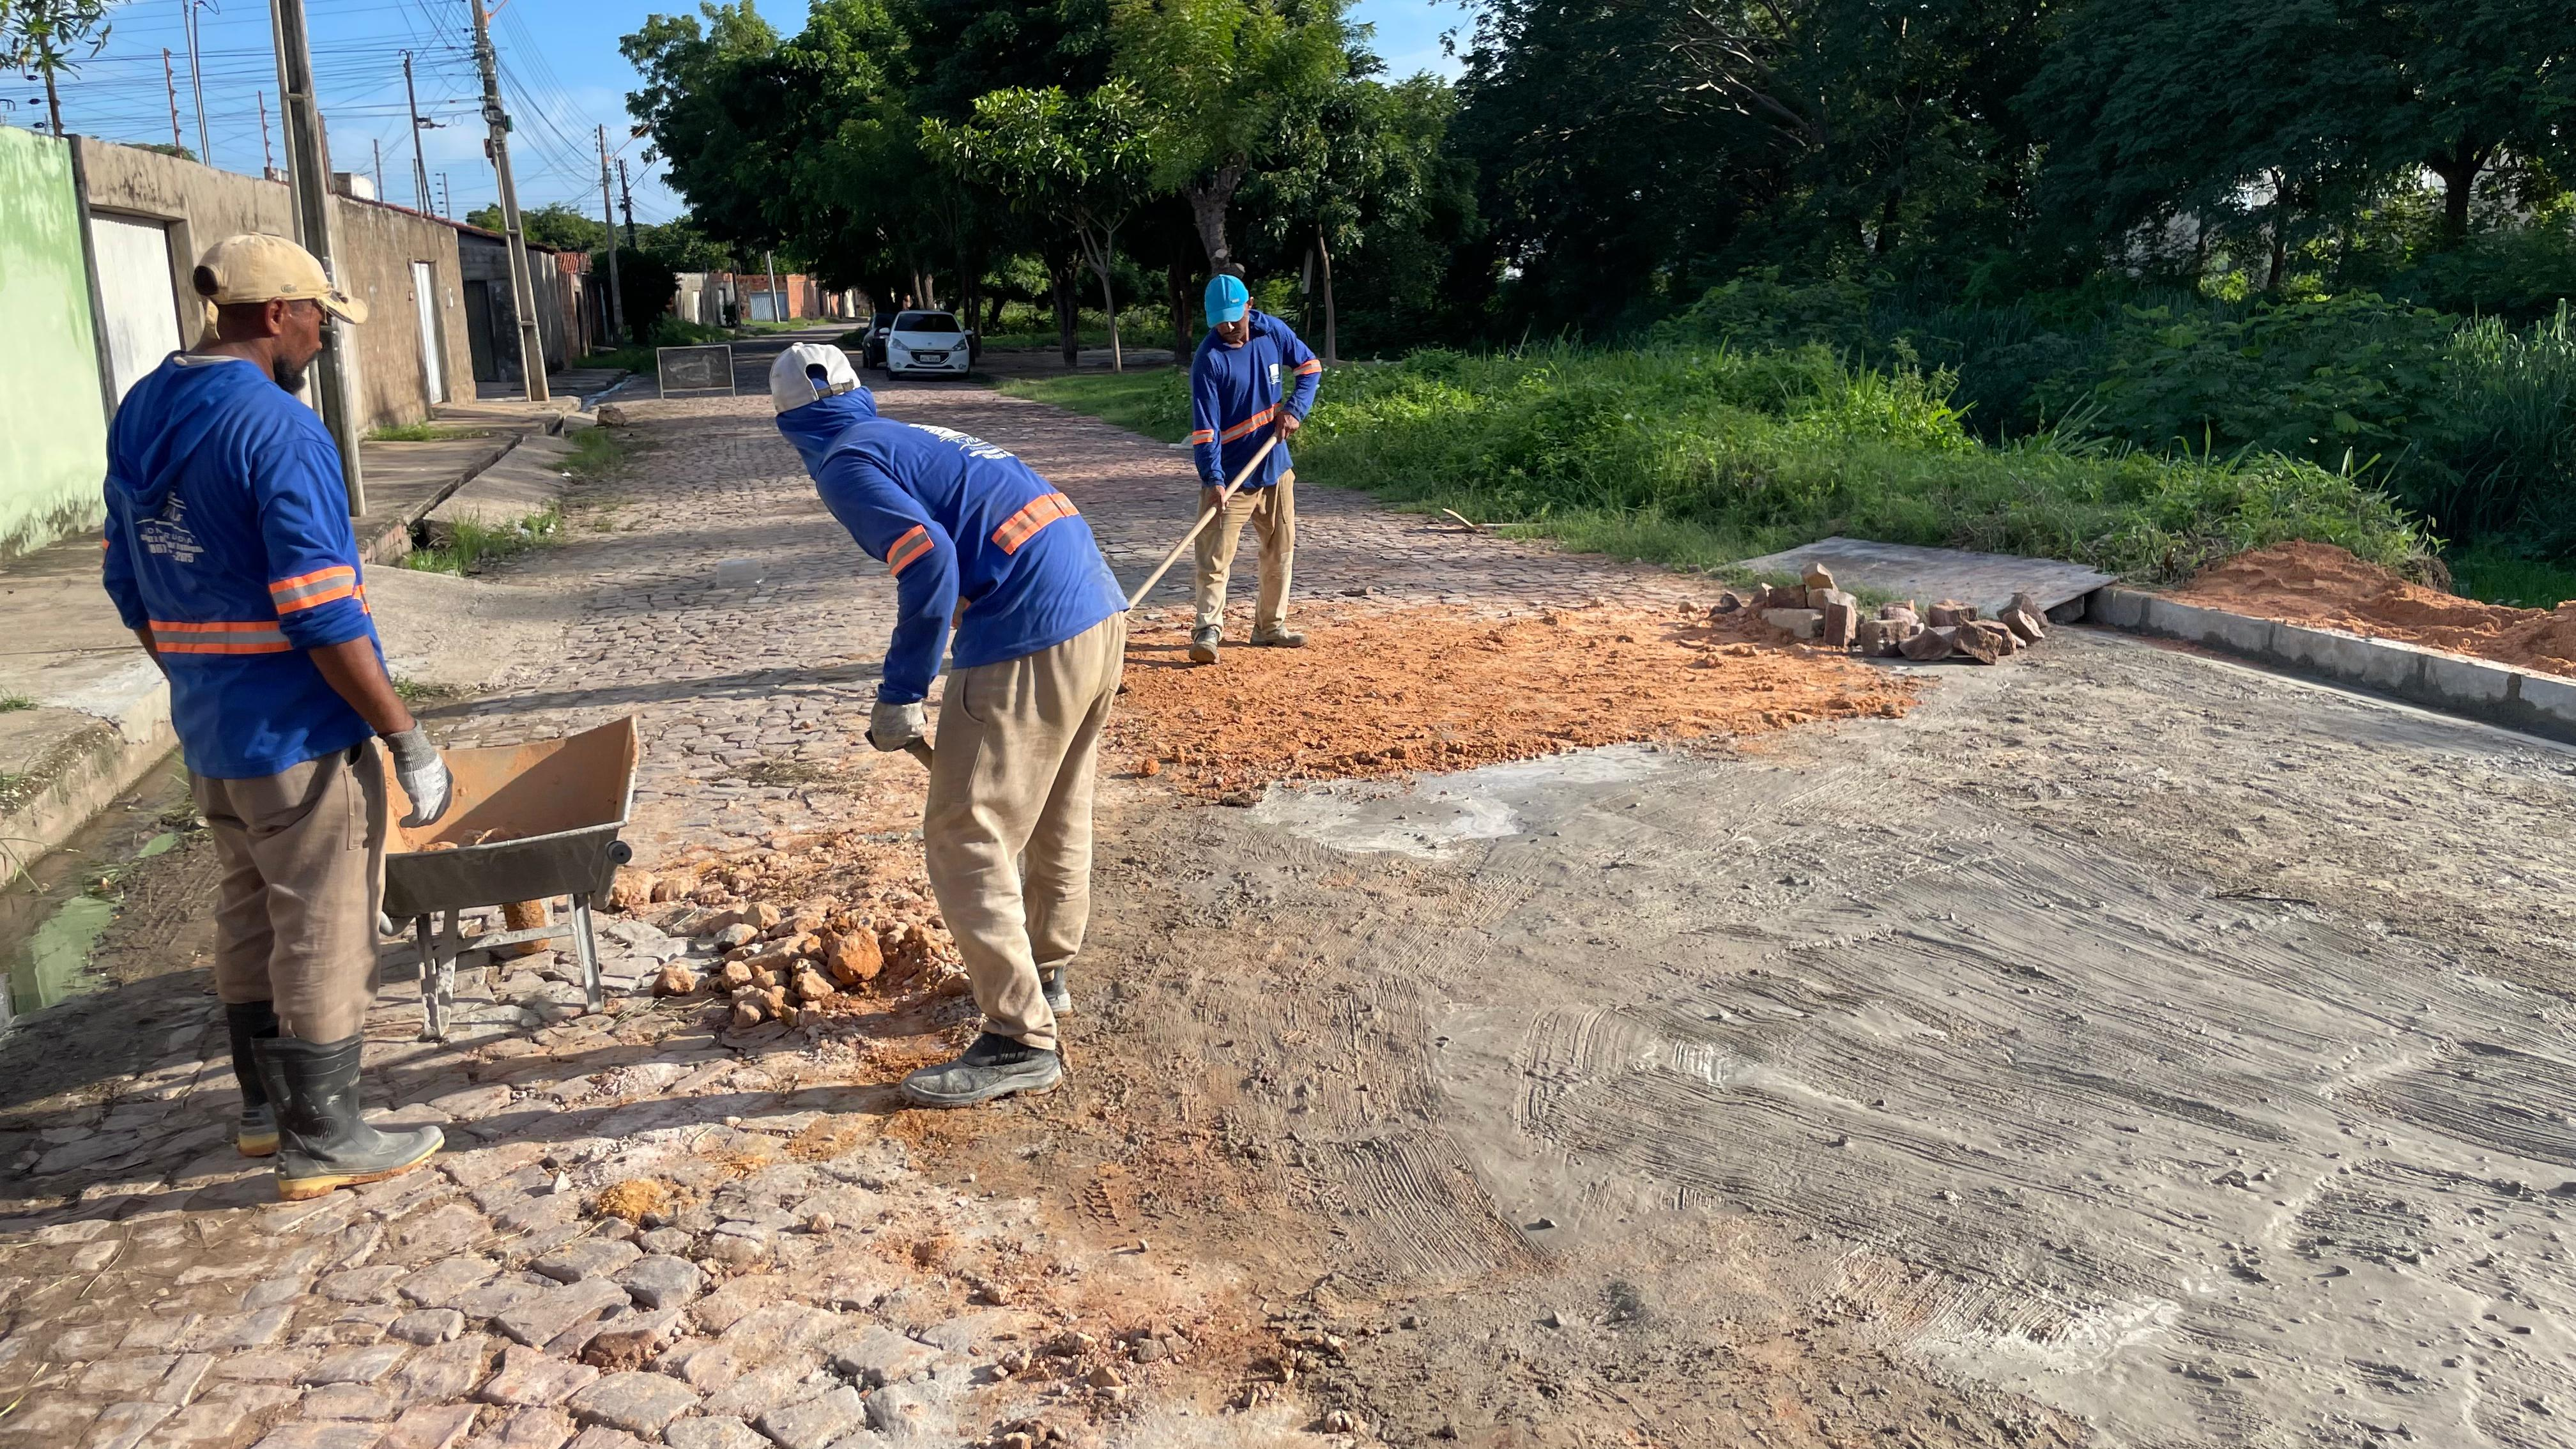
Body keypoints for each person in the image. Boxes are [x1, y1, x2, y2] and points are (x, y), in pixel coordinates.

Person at [101, 234, 454, 1200]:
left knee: (248, 908)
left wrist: (195, 680)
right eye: (317, 319)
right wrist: (404, 734)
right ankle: (326, 1134)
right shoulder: (279, 430)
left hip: (213, 731)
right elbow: (321, 608)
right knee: (325, 920)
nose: (324, 340)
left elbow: (128, 582)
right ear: (272, 316)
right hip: (300, 735)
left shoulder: (143, 411)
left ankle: (262, 1112)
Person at [769, 343, 1126, 1107]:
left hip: (1028, 634)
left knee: (966, 833)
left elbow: (928, 560)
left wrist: (903, 692)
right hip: (1098, 612)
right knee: (1057, 809)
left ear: (790, 427)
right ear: (859, 394)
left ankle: (1017, 1039)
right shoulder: (909, 437)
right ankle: (1046, 971)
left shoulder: (842, 462)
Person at [1184, 273, 1322, 664]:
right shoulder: (1208, 361)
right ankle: (1207, 630)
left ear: (1249, 306)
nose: (1228, 328)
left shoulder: (1272, 332)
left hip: (1275, 467)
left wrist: (1295, 410)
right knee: (1214, 558)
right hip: (1230, 477)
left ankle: (1269, 627)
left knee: (1279, 549)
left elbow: (1310, 368)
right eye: (1219, 322)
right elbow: (1204, 429)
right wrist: (1213, 479)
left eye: (1234, 318)